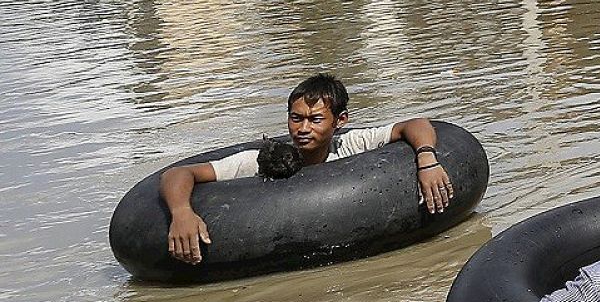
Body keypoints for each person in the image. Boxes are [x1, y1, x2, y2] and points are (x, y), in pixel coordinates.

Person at [158, 73, 456, 265]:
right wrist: (182, 212)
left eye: (315, 120)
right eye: (295, 118)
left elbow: (415, 124)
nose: (302, 129)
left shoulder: (351, 145)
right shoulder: (263, 161)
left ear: (339, 121)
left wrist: (427, 159)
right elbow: (178, 173)